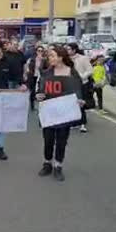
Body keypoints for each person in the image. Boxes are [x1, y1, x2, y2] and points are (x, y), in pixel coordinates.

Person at [36, 46, 84, 181]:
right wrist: (38, 96)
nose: (50, 58)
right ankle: (47, 163)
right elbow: (40, 90)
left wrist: (79, 100)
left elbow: (78, 90)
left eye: (53, 56)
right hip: (49, 112)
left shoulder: (71, 73)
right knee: (48, 140)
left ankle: (58, 165)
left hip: (65, 113)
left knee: (62, 140)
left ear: (61, 57)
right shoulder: (46, 73)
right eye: (49, 56)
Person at [67, 43, 92, 133]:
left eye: (69, 49)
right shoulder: (66, 59)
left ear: (74, 50)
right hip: (70, 84)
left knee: (80, 103)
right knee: (71, 104)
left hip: (82, 83)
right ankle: (74, 122)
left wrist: (82, 76)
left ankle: (82, 124)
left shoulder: (83, 58)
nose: (67, 51)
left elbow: (90, 70)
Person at [25, 45, 47, 111]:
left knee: (39, 91)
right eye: (38, 51)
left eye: (41, 51)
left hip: (40, 77)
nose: (40, 52)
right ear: (36, 51)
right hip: (32, 76)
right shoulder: (32, 59)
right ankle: (32, 106)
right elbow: (27, 65)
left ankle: (41, 106)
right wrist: (27, 72)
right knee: (32, 91)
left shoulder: (45, 59)